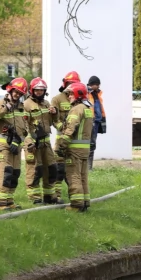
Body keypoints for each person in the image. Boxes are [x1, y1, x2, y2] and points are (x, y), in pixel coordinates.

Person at [0, 77, 29, 211]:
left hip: (16, 146)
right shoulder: (0, 104)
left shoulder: (22, 108)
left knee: (15, 173)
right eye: (16, 92)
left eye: (20, 93)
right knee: (6, 173)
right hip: (4, 146)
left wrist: (19, 140)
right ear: (10, 90)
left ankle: (9, 200)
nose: (17, 95)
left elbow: (25, 127)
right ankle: (0, 202)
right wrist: (5, 108)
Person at [56, 82, 94, 212]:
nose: (69, 96)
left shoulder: (76, 109)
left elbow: (71, 128)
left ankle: (76, 204)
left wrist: (62, 145)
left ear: (78, 94)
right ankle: (85, 202)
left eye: (71, 93)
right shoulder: (87, 108)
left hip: (74, 150)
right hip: (84, 150)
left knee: (74, 176)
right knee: (83, 176)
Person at [23, 77, 59, 204]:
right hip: (33, 144)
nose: (39, 92)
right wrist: (29, 144)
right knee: (35, 170)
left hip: (46, 142)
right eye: (37, 90)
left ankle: (50, 196)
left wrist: (55, 113)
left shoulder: (47, 104)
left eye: (42, 90)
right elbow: (23, 127)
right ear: (32, 90)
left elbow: (52, 122)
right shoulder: (26, 105)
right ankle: (35, 198)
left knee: (51, 168)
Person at [49, 71, 80, 202]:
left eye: (74, 83)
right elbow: (53, 119)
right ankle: (57, 195)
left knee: (73, 170)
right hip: (61, 138)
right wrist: (63, 127)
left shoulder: (80, 99)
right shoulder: (57, 99)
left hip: (75, 141)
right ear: (65, 84)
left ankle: (74, 195)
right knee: (59, 169)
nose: (72, 86)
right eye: (70, 83)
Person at [87, 75, 106, 170]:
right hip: (90, 121)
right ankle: (88, 167)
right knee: (90, 144)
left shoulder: (97, 94)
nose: (98, 87)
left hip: (97, 122)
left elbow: (99, 107)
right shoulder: (86, 94)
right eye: (97, 85)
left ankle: (89, 167)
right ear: (92, 84)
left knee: (92, 144)